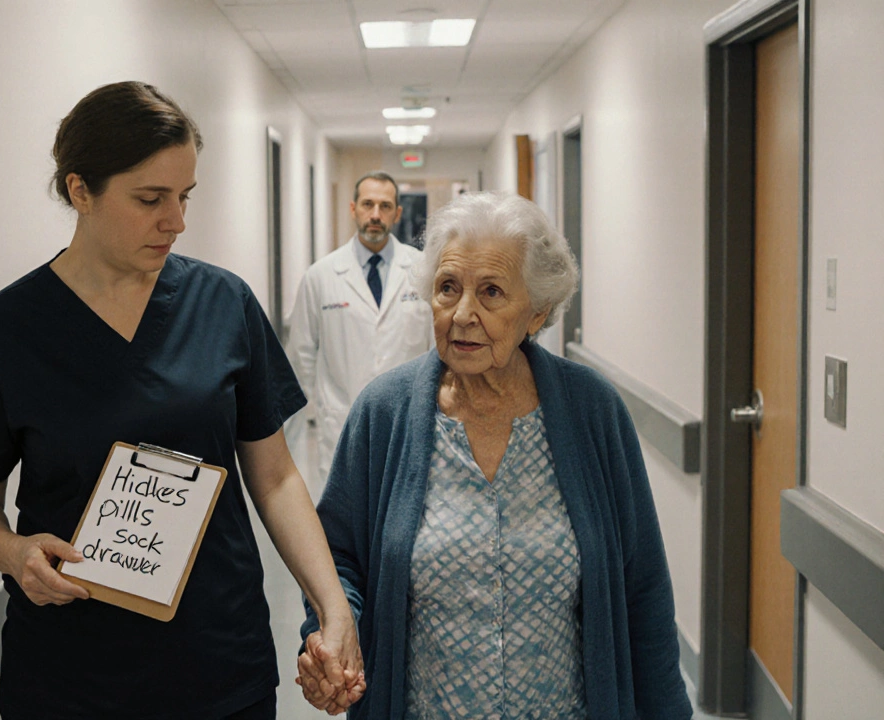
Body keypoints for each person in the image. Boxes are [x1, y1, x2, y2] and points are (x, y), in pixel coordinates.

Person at [0, 81, 363, 720]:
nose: (176, 221)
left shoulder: (224, 304)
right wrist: (14, 553)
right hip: (69, 674)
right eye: (150, 199)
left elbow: (273, 478)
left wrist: (331, 605)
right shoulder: (5, 331)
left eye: (184, 196)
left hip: (218, 659)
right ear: (81, 191)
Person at [296, 191, 692, 719]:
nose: (463, 314)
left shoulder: (591, 411)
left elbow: (642, 587)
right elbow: (336, 556)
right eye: (447, 288)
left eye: (491, 292)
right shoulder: (383, 413)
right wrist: (330, 633)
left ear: (538, 311)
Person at [284, 171, 434, 489]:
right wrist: (300, 431)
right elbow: (301, 360)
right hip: (340, 426)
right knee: (346, 526)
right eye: (368, 204)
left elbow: (437, 351)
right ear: (353, 209)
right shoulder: (320, 276)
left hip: (408, 424)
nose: (376, 215)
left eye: (385, 205)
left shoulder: (424, 271)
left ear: (398, 213)